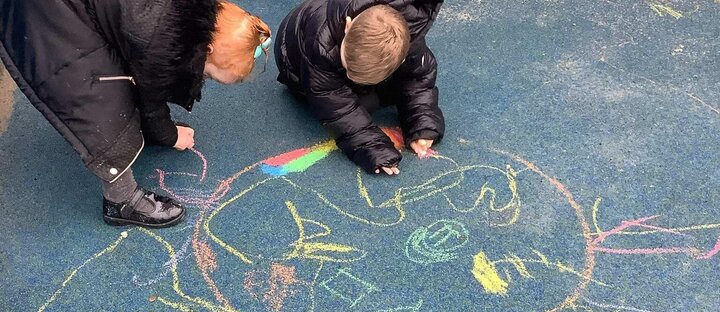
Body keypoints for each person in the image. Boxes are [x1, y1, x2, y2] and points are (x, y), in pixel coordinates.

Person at [0, 0, 271, 227]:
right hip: (48, 18)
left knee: (120, 75)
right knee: (100, 99)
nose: (205, 77)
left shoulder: (187, 20)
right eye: (209, 74)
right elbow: (149, 98)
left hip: (75, 9)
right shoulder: (162, 40)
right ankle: (121, 200)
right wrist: (169, 135)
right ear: (207, 49)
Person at [274, 0, 445, 176]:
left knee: (400, 82)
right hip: (295, 61)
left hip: (342, 53)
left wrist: (422, 123)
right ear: (348, 26)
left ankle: (368, 78)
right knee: (364, 103)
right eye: (348, 68)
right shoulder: (321, 47)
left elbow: (418, 79)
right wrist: (375, 149)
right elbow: (338, 109)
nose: (350, 76)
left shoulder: (408, 38)